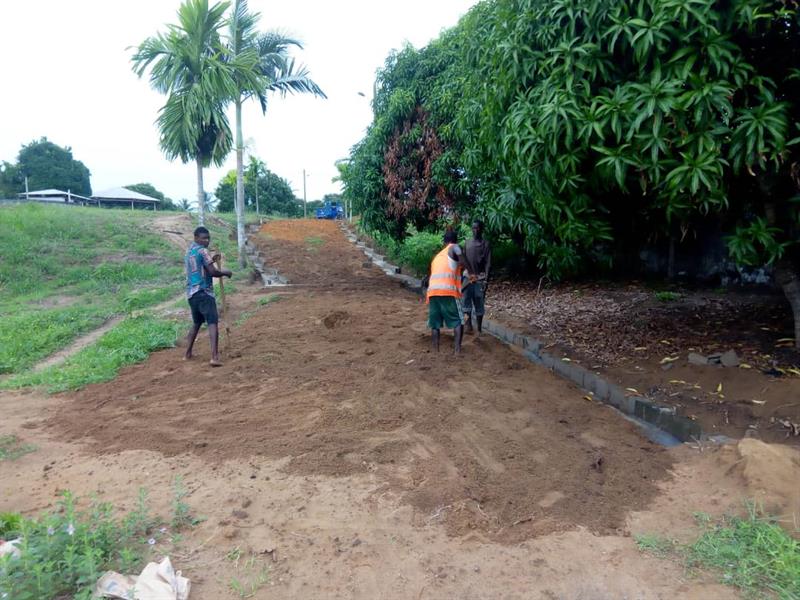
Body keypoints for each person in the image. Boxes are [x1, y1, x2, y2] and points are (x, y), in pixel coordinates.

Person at [184, 226, 232, 366]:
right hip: (204, 292)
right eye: (204, 238)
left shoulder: (189, 252)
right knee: (212, 323)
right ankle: (214, 357)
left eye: (208, 238)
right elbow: (212, 272)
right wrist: (225, 272)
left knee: (197, 323)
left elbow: (201, 266)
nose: (207, 241)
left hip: (192, 294)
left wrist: (212, 259)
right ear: (196, 238)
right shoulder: (203, 251)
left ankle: (187, 353)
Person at [425, 229, 464, 354]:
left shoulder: (437, 257)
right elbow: (460, 254)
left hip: (432, 292)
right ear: (454, 240)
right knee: (458, 321)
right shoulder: (454, 247)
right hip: (448, 292)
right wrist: (472, 272)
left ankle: (435, 350)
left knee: (435, 324)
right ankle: (457, 351)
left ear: (444, 241)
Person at [462, 219, 491, 335]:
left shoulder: (485, 244)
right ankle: (468, 325)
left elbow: (488, 263)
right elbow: (462, 260)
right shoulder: (467, 243)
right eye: (473, 228)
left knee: (479, 303)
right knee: (466, 302)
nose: (475, 230)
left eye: (478, 228)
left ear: (481, 229)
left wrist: (486, 280)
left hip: (480, 278)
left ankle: (479, 328)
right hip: (467, 277)